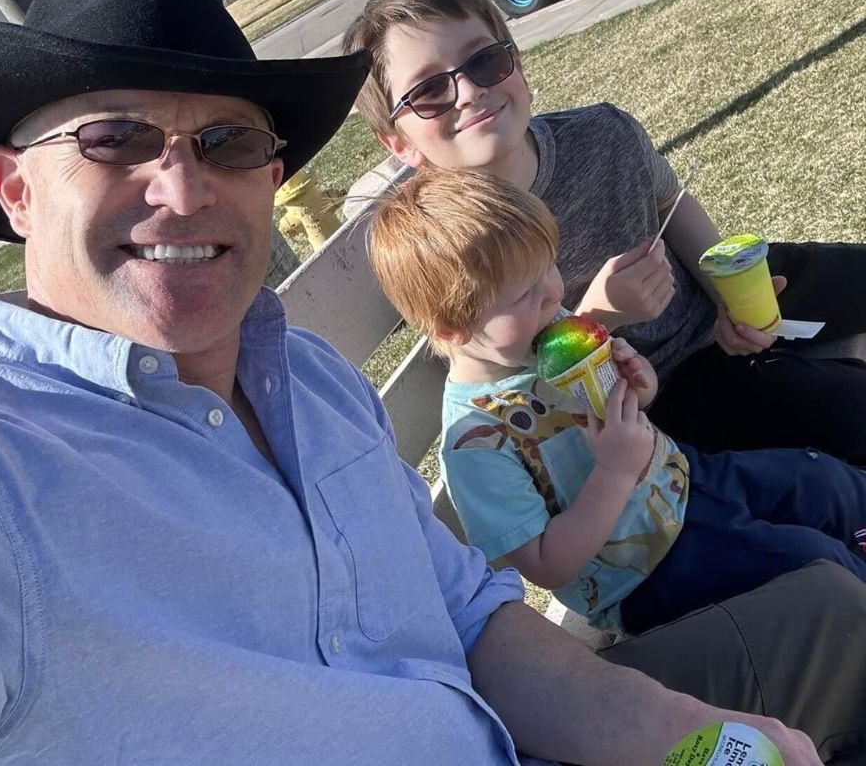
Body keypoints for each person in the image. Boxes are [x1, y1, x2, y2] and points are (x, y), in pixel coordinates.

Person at [0, 0, 842, 766]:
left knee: (838, 612)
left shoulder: (313, 383)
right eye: (115, 139)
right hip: (636, 566)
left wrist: (698, 741)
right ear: (16, 189)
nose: (183, 188)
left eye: (228, 142)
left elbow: (476, 620)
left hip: (532, 723)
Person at [341, 0, 866, 463]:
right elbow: (507, 382)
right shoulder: (440, 242)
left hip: (715, 311)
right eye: (429, 90)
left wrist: (727, 294)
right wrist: (600, 316)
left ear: (516, 64)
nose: (470, 91)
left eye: (484, 61)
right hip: (653, 400)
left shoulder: (602, 131)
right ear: (397, 142)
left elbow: (668, 203)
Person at [368, 167, 866, 639]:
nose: (553, 295)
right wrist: (615, 472)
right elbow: (546, 564)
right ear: (452, 330)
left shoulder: (549, 330)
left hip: (688, 480)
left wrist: (637, 385)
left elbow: (626, 410)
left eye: (549, 269)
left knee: (824, 482)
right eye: (525, 294)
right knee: (813, 560)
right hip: (650, 575)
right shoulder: (474, 442)